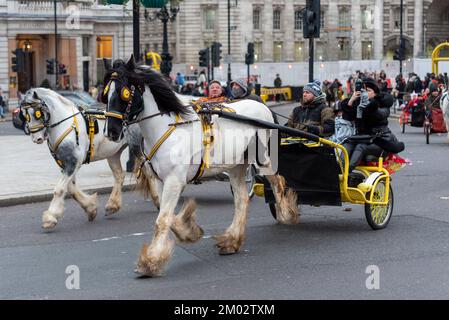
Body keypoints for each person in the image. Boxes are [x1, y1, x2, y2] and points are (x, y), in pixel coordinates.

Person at [341, 78, 404, 173]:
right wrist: (351, 101)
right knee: (345, 146)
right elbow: (347, 118)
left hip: (379, 139)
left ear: (375, 93)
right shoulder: (358, 104)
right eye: (363, 91)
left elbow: (379, 115)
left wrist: (370, 106)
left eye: (368, 90)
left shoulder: (381, 105)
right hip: (361, 137)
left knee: (360, 147)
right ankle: (339, 172)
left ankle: (347, 173)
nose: (365, 93)